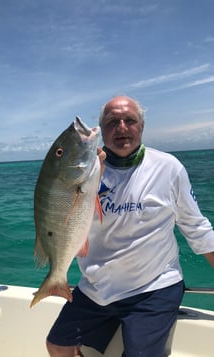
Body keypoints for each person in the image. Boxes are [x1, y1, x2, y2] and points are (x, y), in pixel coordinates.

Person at [46, 95, 214, 357]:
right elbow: (59, 212)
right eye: (112, 122)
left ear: (142, 127)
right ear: (101, 129)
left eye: (130, 120)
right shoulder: (88, 172)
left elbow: (197, 229)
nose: (121, 128)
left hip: (153, 288)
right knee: (57, 345)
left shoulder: (168, 168)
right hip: (96, 288)